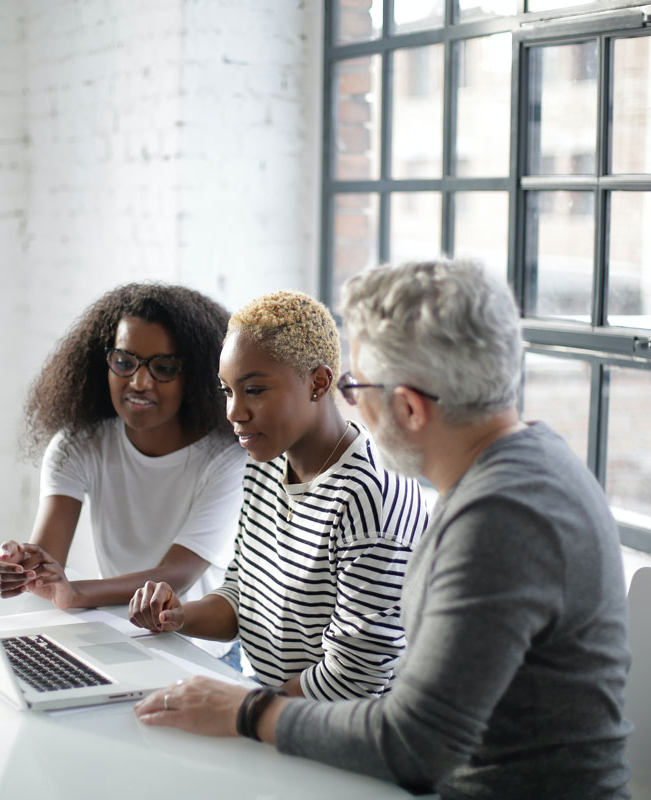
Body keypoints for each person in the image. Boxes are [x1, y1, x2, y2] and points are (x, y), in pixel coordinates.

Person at [133, 260, 633, 799]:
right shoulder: (525, 464)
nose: (352, 404)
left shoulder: (499, 521)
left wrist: (247, 707)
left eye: (354, 384)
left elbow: (414, 746)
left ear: (410, 407)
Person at [129, 290, 428, 700]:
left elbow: (356, 679)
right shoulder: (265, 461)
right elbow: (241, 596)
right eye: (227, 391)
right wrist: (179, 616)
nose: (233, 412)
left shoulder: (372, 496)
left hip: (343, 733)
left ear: (318, 383)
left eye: (253, 390)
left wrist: (238, 712)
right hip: (266, 700)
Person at [0, 283, 246, 612]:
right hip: (120, 634)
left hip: (197, 650)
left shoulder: (226, 460)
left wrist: (75, 593)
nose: (139, 382)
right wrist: (19, 569)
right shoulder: (77, 446)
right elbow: (46, 566)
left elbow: (177, 575)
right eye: (124, 362)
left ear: (193, 377)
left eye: (163, 368)